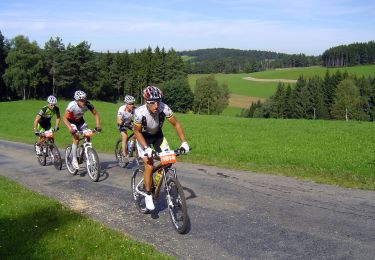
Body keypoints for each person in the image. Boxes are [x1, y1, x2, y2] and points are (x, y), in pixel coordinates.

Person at [133, 86, 190, 210]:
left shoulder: (164, 108)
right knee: (149, 164)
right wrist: (146, 148)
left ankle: (158, 179)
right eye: (152, 103)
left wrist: (184, 143)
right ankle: (148, 194)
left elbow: (176, 124)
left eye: (158, 101)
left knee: (169, 160)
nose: (156, 105)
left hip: (158, 136)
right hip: (143, 138)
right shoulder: (139, 112)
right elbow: (136, 132)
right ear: (146, 102)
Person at [63, 90, 101, 169]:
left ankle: (84, 151)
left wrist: (98, 125)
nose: (83, 101)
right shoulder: (72, 105)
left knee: (88, 135)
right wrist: (70, 128)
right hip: (71, 121)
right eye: (81, 100)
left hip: (80, 121)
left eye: (84, 99)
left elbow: (96, 114)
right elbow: (64, 118)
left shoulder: (88, 104)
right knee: (76, 139)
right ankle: (74, 159)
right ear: (77, 100)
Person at [117, 95, 136, 163]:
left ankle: (131, 145)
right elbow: (118, 120)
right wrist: (125, 124)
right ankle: (124, 155)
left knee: (138, 132)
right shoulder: (121, 109)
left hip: (129, 122)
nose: (132, 105)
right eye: (130, 104)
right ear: (126, 104)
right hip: (122, 123)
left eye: (133, 103)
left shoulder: (134, 109)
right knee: (125, 136)